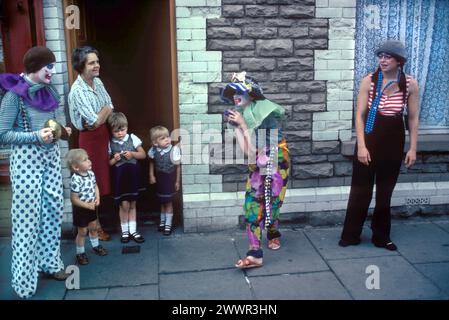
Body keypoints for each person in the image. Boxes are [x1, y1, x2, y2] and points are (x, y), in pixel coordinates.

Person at [0, 46, 72, 298]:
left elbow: (51, 125)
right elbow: (2, 134)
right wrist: (34, 136)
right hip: (27, 160)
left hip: (50, 158)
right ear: (35, 68)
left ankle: (51, 264)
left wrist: (62, 130)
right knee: (26, 220)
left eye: (53, 66)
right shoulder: (14, 96)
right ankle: (23, 282)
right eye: (49, 66)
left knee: (53, 211)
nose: (53, 71)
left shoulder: (49, 90)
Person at [339, 40, 419, 251]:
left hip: (394, 137)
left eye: (388, 57)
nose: (382, 60)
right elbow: (359, 116)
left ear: (399, 61)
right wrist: (362, 147)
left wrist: (412, 148)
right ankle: (351, 234)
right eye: (380, 56)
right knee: (360, 189)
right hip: (370, 135)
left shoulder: (409, 84)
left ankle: (381, 236)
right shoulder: (370, 81)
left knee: (385, 191)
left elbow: (412, 118)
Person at [222, 71, 290, 269]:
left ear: (251, 94)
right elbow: (249, 153)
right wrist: (237, 126)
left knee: (272, 201)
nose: (235, 96)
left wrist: (243, 124)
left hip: (276, 157)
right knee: (252, 203)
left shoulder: (265, 112)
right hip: (257, 159)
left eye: (239, 92)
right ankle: (254, 253)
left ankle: (273, 233)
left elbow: (257, 148)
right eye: (232, 92)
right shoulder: (237, 114)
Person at [68, 46, 114, 241]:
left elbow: (111, 105)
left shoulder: (98, 81)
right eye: (92, 62)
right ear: (81, 66)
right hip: (89, 139)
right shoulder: (77, 91)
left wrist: (102, 114)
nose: (97, 65)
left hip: (102, 135)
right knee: (90, 182)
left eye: (97, 61)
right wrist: (103, 113)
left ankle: (99, 224)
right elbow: (92, 121)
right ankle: (95, 228)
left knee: (103, 181)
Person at [108, 112, 146, 243]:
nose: (120, 133)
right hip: (120, 178)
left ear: (127, 127)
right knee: (123, 205)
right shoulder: (110, 143)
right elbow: (108, 164)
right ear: (111, 131)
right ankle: (125, 232)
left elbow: (143, 155)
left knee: (133, 204)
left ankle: (133, 230)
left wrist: (132, 154)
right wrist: (115, 159)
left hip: (132, 175)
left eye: (122, 129)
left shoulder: (132, 138)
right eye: (116, 131)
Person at [66, 149, 108, 265]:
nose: (89, 161)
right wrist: (86, 205)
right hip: (81, 209)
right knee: (82, 232)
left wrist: (97, 198)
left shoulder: (91, 173)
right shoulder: (75, 179)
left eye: (88, 158)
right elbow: (74, 199)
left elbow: (95, 186)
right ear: (76, 167)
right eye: (85, 160)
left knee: (93, 228)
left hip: (91, 206)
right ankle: (80, 252)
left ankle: (96, 245)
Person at [148, 126, 181, 236]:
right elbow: (152, 163)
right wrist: (151, 175)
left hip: (169, 179)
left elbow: (178, 167)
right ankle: (162, 221)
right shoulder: (154, 150)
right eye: (163, 138)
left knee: (168, 202)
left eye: (168, 137)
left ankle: (168, 224)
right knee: (162, 201)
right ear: (155, 143)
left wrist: (177, 181)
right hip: (160, 178)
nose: (167, 139)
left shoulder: (174, 150)